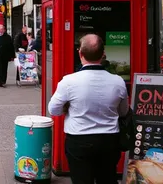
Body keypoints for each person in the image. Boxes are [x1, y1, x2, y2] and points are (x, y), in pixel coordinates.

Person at [48, 34, 128, 184]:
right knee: (107, 179)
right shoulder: (118, 82)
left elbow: (53, 110)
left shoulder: (69, 81)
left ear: (80, 53)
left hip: (79, 140)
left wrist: (67, 108)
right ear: (103, 54)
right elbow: (123, 112)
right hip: (109, 141)